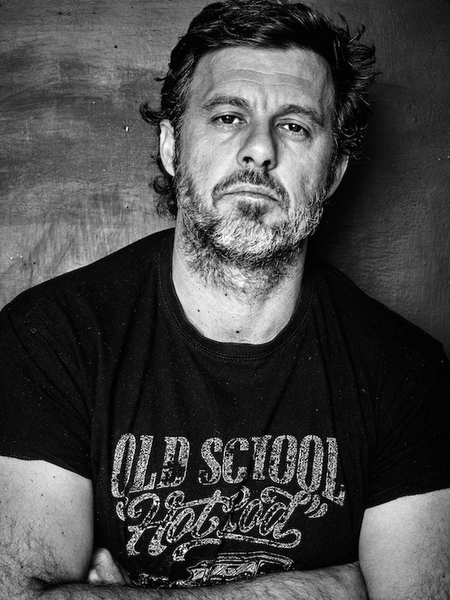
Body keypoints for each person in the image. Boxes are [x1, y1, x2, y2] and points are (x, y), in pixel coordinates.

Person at [0, 0, 449, 598]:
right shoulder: (48, 339)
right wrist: (335, 588)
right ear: (171, 146)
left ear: (334, 171)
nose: (260, 149)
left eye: (295, 126)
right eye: (228, 116)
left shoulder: (406, 371)